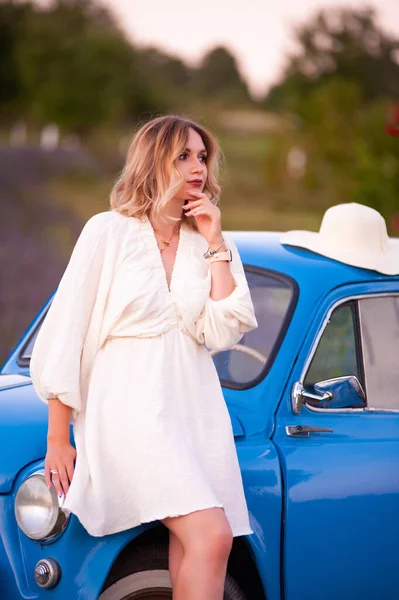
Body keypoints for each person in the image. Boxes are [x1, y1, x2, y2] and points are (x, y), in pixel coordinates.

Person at [30, 115, 258, 599]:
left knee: (194, 544)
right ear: (154, 161)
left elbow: (223, 330)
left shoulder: (208, 241)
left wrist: (215, 241)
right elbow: (66, 332)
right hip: (129, 412)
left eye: (202, 156)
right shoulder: (107, 233)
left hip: (193, 412)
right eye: (183, 156)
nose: (197, 167)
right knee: (212, 535)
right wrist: (59, 436)